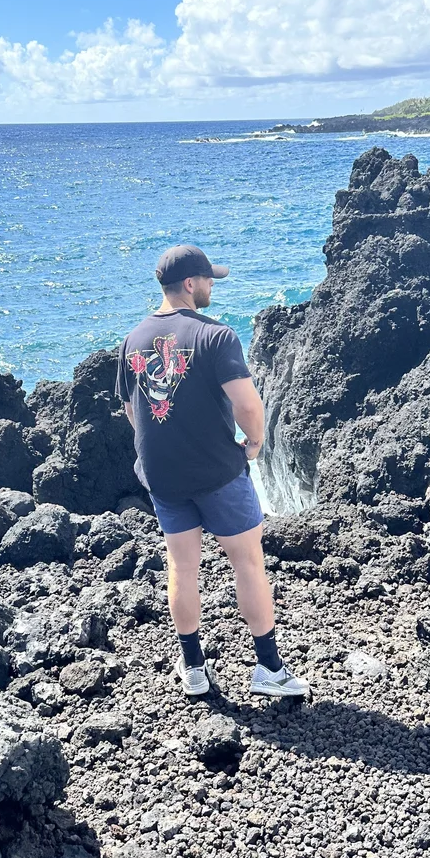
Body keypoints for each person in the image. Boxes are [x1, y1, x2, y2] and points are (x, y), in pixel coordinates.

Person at [116, 243, 310, 701]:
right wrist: (256, 443)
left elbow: (132, 410)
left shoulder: (131, 341)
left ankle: (194, 669)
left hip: (163, 478)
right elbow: (246, 404)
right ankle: (268, 669)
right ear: (190, 284)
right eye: (208, 280)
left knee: (182, 566)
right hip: (219, 472)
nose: (211, 287)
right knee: (247, 562)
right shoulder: (215, 335)